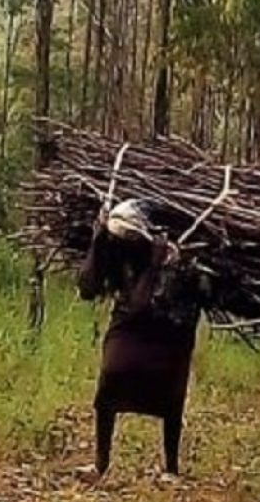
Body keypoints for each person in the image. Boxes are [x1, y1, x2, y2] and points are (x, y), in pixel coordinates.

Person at [77, 200, 203, 476]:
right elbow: (87, 288)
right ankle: (101, 463)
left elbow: (142, 303)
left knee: (170, 392)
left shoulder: (173, 255)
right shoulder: (115, 243)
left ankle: (171, 468)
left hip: (171, 326)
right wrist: (97, 240)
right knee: (112, 374)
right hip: (129, 322)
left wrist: (156, 265)